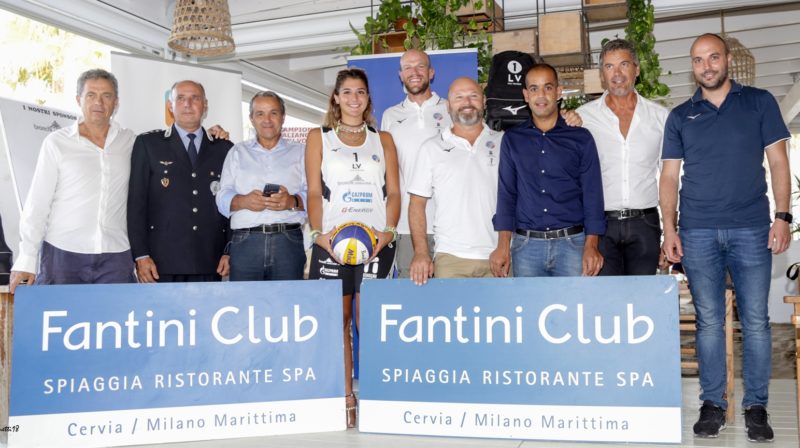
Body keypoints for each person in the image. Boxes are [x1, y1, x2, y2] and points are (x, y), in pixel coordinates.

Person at [661, 33, 791, 442]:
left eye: (713, 57)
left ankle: (756, 407)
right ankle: (713, 404)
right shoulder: (680, 115)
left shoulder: (760, 102)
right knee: (709, 322)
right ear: (693, 66)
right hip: (697, 230)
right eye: (698, 60)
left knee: (756, 322)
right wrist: (669, 228)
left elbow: (779, 162)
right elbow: (669, 177)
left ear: (727, 59)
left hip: (751, 228)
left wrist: (782, 216)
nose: (707, 66)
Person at [304, 68, 400, 428]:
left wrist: (387, 233)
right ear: (336, 97)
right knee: (338, 322)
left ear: (368, 98)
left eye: (360, 92)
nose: (354, 98)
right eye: (347, 92)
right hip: (332, 243)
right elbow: (314, 192)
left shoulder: (383, 139)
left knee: (369, 322)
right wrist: (319, 234)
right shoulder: (319, 137)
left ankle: (376, 395)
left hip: (375, 244)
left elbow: (394, 192)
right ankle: (346, 396)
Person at [10, 69, 137, 293]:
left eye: (106, 95)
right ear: (79, 100)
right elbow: (38, 203)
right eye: (91, 95)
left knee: (117, 315)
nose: (98, 102)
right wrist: (27, 258)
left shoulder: (131, 142)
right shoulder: (56, 143)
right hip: (62, 255)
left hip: (116, 256)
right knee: (57, 314)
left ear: (116, 103)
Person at [491, 64, 605, 278]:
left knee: (575, 302)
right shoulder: (512, 139)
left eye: (548, 87)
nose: (541, 95)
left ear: (559, 92)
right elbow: (507, 194)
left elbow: (593, 194)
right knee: (527, 302)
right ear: (526, 95)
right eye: (534, 89)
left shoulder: (581, 138)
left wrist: (592, 245)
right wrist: (503, 245)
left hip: (573, 246)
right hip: (526, 248)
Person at [576, 39, 667, 275]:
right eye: (609, 66)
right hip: (600, 226)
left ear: (637, 69)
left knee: (643, 295)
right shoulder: (582, 118)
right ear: (601, 75)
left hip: (645, 224)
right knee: (606, 296)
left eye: (624, 64)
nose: (617, 73)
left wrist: (670, 232)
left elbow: (670, 179)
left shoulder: (660, 117)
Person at [127, 80, 233, 283]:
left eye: (195, 98)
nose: (188, 104)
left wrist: (230, 250)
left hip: (210, 258)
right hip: (161, 261)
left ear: (205, 105)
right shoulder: (148, 144)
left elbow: (231, 205)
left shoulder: (224, 149)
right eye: (181, 98)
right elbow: (136, 204)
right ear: (170, 106)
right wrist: (141, 255)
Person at [406, 77, 504, 284]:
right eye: (459, 97)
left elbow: (515, 199)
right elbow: (416, 204)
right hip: (450, 258)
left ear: (484, 102)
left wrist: (505, 246)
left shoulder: (504, 142)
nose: (467, 102)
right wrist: (421, 252)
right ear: (448, 106)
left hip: (498, 256)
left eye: (473, 96)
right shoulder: (431, 148)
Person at [216, 91, 306, 281]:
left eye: (273, 113)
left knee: (289, 299)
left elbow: (315, 194)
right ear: (251, 118)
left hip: (288, 242)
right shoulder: (237, 152)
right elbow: (222, 195)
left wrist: (292, 201)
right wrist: (243, 201)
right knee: (245, 299)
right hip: (246, 243)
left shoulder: (302, 152)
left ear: (283, 117)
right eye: (260, 113)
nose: (267, 120)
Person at [381, 49, 451, 278]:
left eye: (420, 66)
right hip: (406, 227)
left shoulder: (451, 109)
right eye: (407, 67)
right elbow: (386, 173)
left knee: (454, 295)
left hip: (450, 225)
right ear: (401, 75)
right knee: (412, 295)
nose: (414, 72)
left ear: (431, 72)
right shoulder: (390, 116)